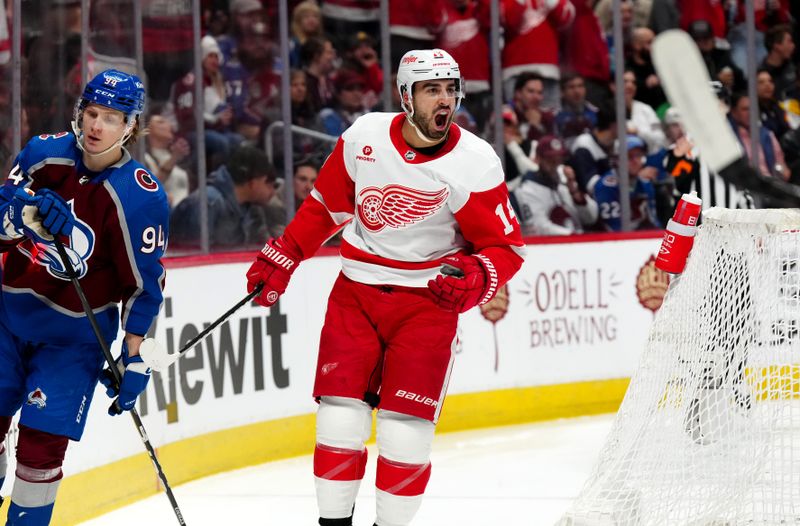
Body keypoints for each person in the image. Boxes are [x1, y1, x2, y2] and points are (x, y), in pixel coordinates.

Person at [245, 48, 525, 526]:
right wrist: (287, 254)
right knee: (338, 417)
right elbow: (327, 206)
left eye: (450, 89)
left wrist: (478, 276)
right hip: (356, 292)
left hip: (427, 302)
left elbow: (506, 248)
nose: (445, 99)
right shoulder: (365, 136)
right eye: (431, 89)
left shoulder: (475, 162)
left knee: (405, 430)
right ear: (405, 95)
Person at [0, 69, 168, 524]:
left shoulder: (140, 198)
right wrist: (24, 216)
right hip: (8, 320)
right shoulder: (42, 156)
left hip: (73, 341)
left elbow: (143, 287)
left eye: (112, 118)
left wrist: (136, 357)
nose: (97, 127)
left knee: (40, 451)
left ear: (131, 126)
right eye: (92, 113)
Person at [170, 144, 283, 249]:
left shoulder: (252, 207)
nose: (273, 192)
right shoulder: (207, 202)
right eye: (267, 183)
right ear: (253, 183)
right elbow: (191, 256)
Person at [513, 135, 598, 236]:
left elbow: (591, 218)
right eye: (551, 160)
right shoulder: (526, 190)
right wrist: (573, 235)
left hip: (575, 244)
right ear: (538, 159)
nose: (556, 165)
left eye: (559, 160)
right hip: (547, 249)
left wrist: (575, 193)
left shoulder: (564, 186)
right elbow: (539, 228)